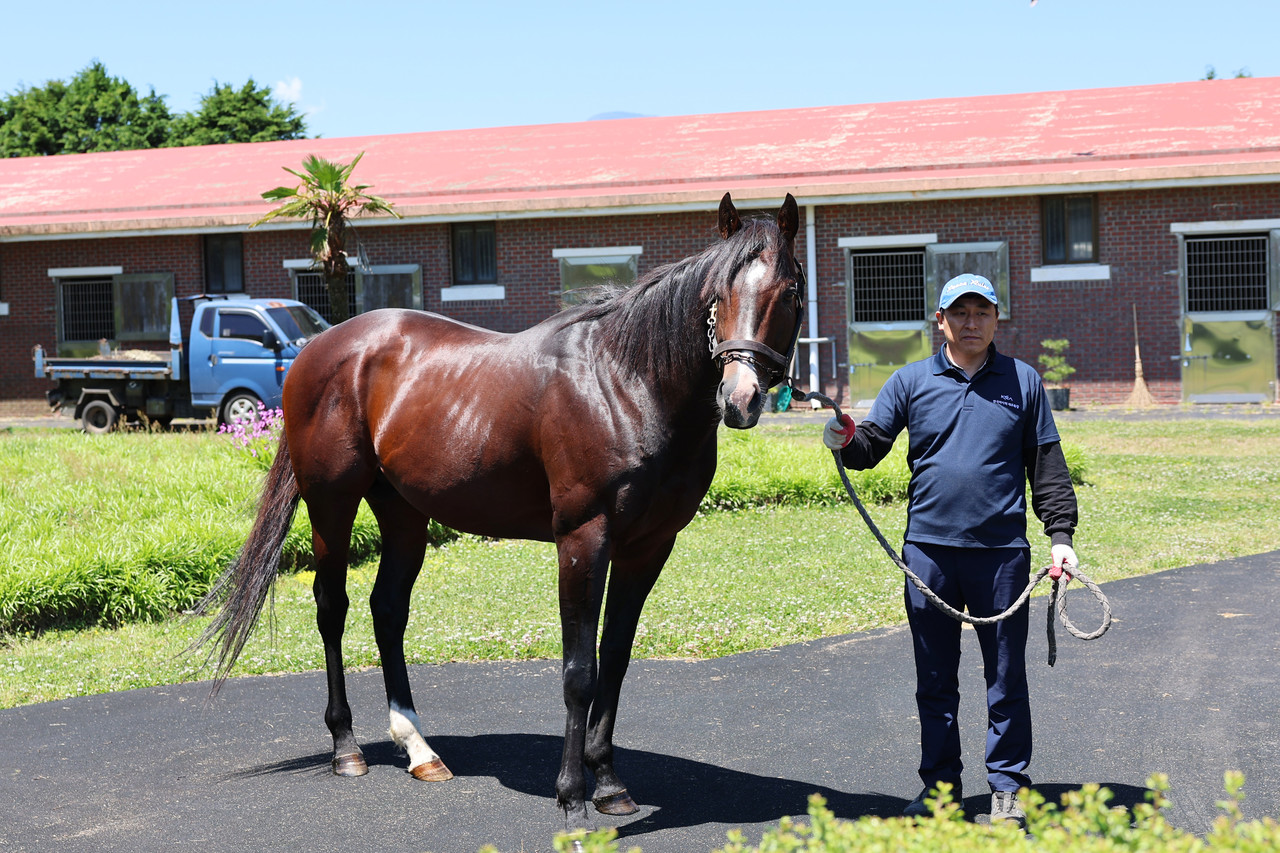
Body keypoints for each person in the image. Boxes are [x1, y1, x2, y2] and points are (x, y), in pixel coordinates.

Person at [822, 273, 1079, 827]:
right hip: (929, 557)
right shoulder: (910, 381)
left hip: (1002, 556)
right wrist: (845, 436)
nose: (971, 323)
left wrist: (1061, 539)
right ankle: (940, 788)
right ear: (939, 320)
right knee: (934, 680)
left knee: (1005, 678)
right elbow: (870, 449)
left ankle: (1008, 787)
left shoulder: (1024, 381)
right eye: (959, 313)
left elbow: (1048, 469)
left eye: (981, 312)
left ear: (995, 319)